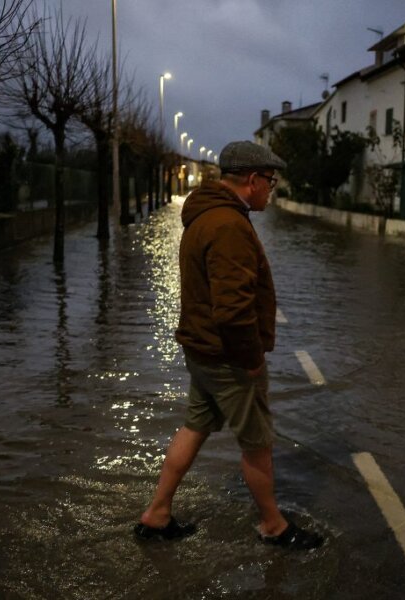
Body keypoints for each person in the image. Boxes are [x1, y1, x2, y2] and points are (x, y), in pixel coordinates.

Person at [134, 141, 323, 550]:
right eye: (270, 181)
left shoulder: (206, 215)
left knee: (196, 425)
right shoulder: (229, 226)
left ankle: (157, 513)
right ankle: (273, 525)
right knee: (258, 443)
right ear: (253, 180)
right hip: (227, 357)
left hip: (202, 349)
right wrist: (251, 360)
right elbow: (233, 309)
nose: (271, 190)